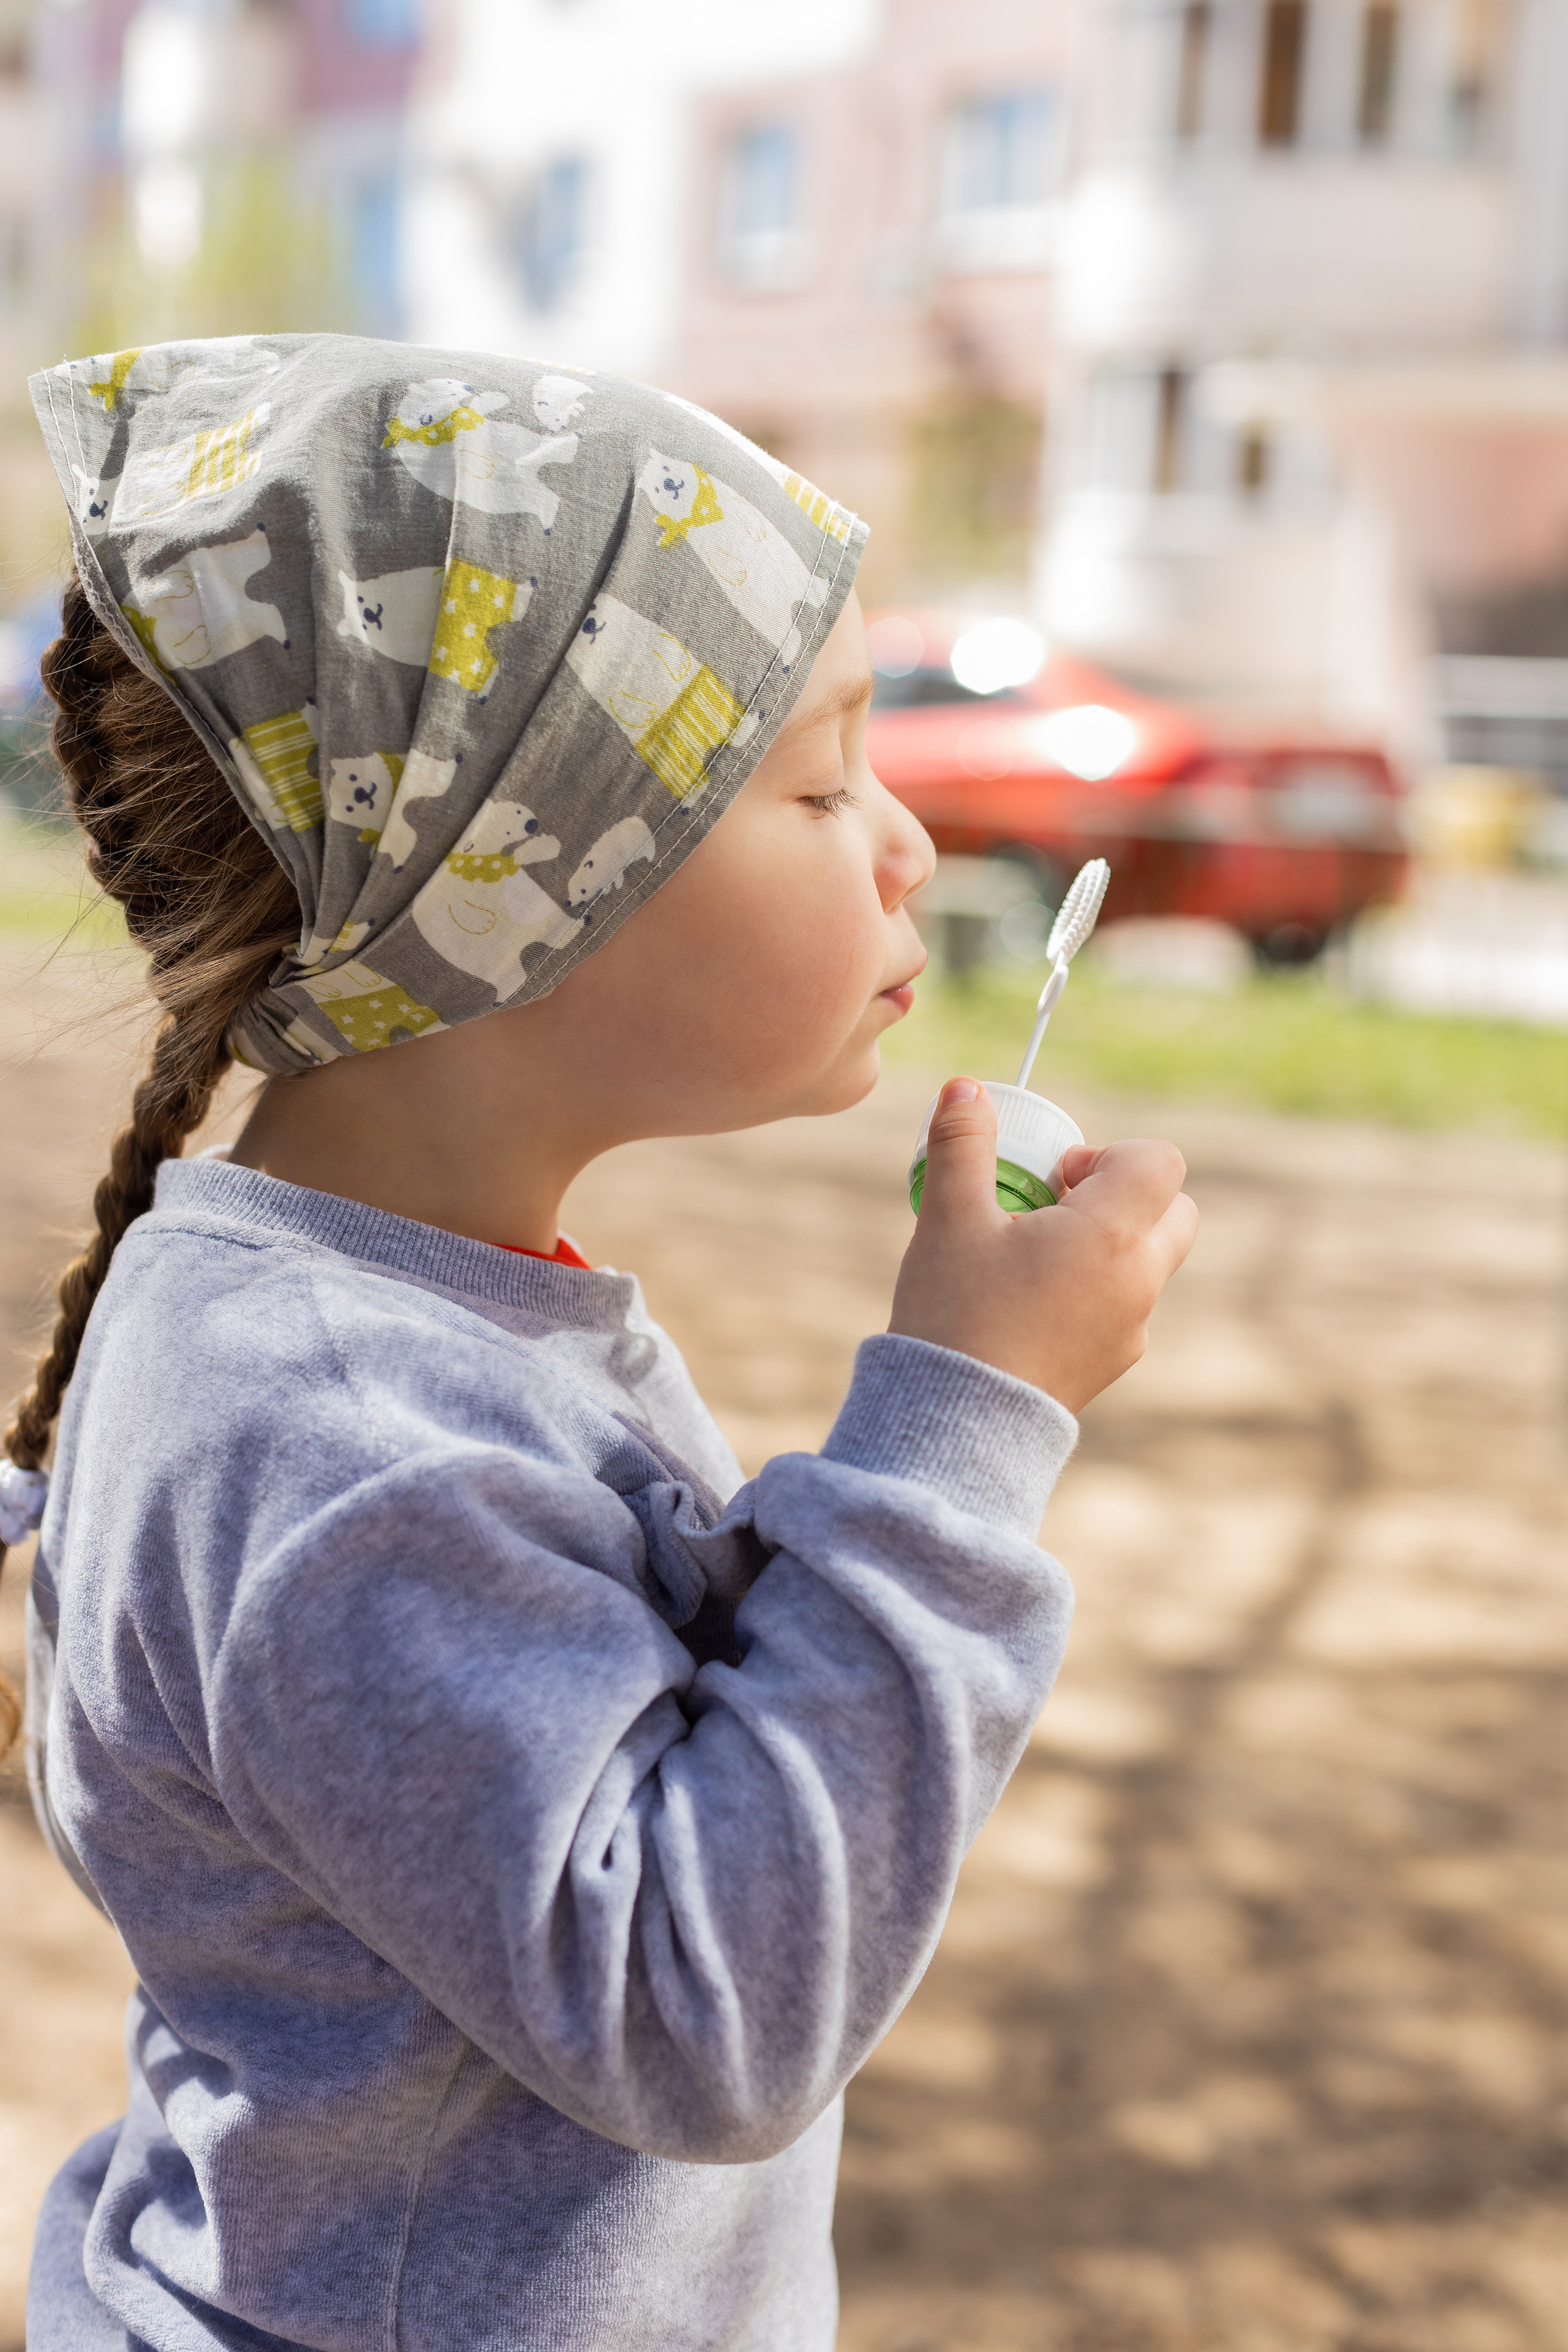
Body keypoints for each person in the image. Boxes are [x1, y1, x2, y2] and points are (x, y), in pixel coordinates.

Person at [4, 336, 1196, 2352]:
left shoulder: (394, 1321)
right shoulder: (341, 1428)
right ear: (521, 900)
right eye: (820, 780)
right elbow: (701, 2009)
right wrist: (965, 1434)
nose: (905, 847)